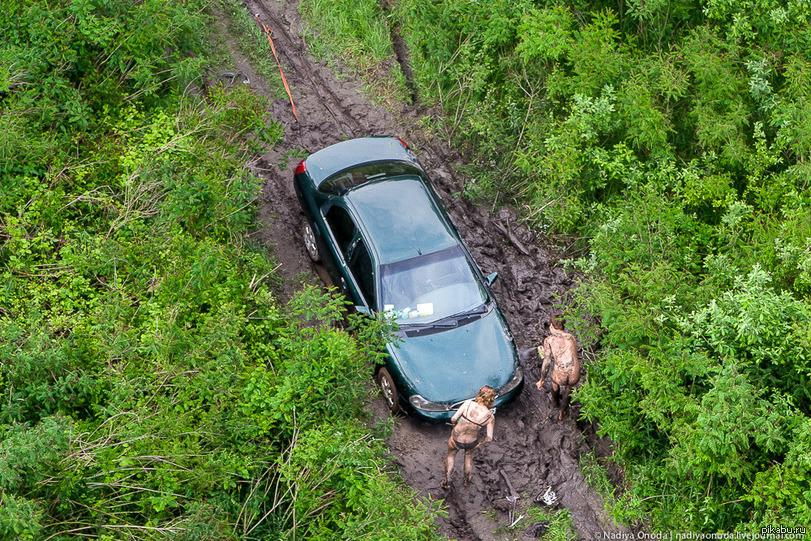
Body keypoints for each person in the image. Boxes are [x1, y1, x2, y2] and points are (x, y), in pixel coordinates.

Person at [441, 386, 496, 489]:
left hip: (456, 438)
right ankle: (466, 480)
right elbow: (489, 438)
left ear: (479, 394)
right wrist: (481, 444)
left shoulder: (468, 404)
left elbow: (453, 418)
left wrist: (455, 425)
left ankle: (446, 482)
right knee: (468, 460)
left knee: (451, 456)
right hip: (471, 442)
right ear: (491, 399)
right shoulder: (489, 416)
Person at [536, 313, 581, 421]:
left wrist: (541, 380)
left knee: (555, 383)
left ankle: (555, 403)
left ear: (551, 326)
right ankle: (563, 411)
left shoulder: (549, 340)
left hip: (561, 374)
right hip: (575, 372)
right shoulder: (571, 337)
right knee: (569, 388)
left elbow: (547, 362)